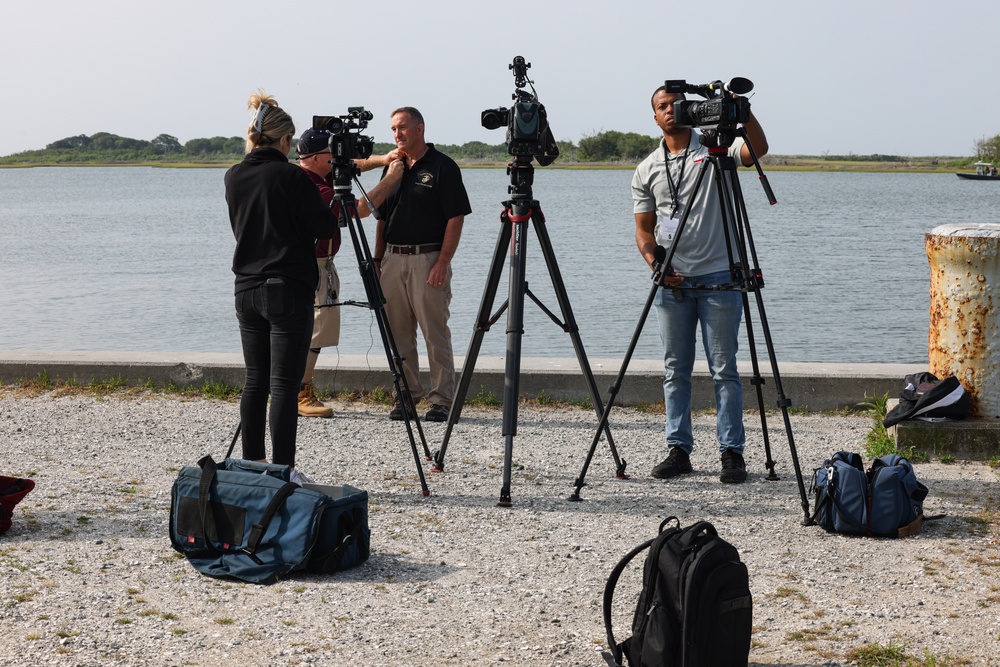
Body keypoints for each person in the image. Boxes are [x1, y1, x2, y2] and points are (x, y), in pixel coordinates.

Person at [631, 85, 769, 484]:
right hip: (671, 281)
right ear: (654, 117)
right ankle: (679, 449)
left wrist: (741, 112)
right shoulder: (646, 168)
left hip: (720, 274)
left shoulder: (714, 149)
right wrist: (653, 259)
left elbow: (757, 148)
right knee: (675, 370)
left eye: (676, 104)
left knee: (724, 369)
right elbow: (643, 230)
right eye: (661, 106)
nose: (670, 110)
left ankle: (731, 452)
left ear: (689, 109)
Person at [224, 90, 338, 476]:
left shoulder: (234, 175)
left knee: (255, 382)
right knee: (285, 387)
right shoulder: (291, 175)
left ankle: (253, 465)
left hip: (246, 288)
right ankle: (283, 471)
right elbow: (324, 227)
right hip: (287, 288)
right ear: (286, 140)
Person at [357, 107, 472, 422]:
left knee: (434, 331)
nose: (397, 134)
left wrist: (443, 262)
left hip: (428, 259)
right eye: (393, 129)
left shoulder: (443, 167)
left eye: (403, 127)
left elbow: (455, 217)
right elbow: (380, 218)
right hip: (393, 259)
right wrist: (378, 259)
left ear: (420, 129)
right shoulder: (392, 168)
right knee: (398, 333)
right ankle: (405, 397)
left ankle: (441, 400)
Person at [293, 128, 401, 418]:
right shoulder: (316, 187)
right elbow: (361, 210)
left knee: (313, 328)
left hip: (314, 263)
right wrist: (392, 176)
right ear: (316, 159)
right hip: (315, 265)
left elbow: (352, 165)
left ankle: (294, 387)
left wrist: (383, 159)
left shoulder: (312, 173)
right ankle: (300, 392)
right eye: (331, 156)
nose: (337, 162)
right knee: (317, 330)